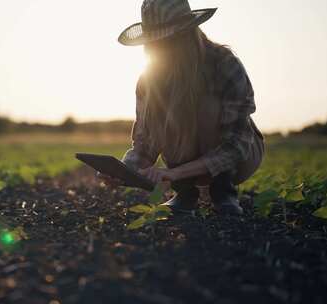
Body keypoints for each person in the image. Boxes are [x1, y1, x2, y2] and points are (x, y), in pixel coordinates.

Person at [97, 0, 265, 215]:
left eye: (165, 40)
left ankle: (223, 190)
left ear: (186, 34)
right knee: (168, 108)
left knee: (206, 106)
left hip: (241, 155)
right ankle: (186, 192)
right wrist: (123, 171)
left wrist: (175, 173)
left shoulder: (224, 64)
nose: (158, 47)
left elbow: (236, 145)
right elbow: (144, 144)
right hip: (181, 166)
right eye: (153, 42)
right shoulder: (149, 79)